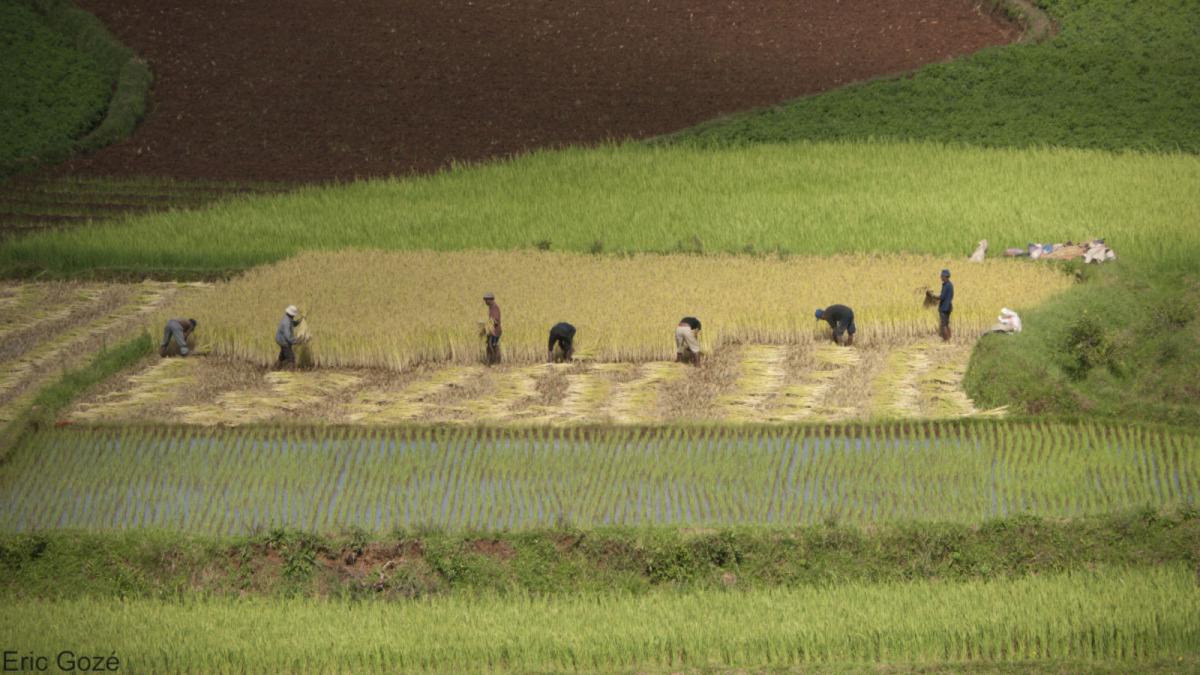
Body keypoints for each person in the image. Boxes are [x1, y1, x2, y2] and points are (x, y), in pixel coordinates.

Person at [927, 269, 954, 341]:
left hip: (944, 308)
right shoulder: (950, 285)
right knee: (947, 323)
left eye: (942, 276)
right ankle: (949, 338)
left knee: (943, 324)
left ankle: (946, 339)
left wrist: (933, 296)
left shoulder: (946, 285)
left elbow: (941, 297)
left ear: (945, 276)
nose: (940, 277)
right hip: (949, 307)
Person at [276, 305, 300, 370]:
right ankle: (292, 372)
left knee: (282, 356)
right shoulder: (286, 322)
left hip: (281, 339)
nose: (294, 316)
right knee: (291, 358)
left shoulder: (288, 318)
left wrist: (299, 321)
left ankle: (277, 368)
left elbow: (293, 323)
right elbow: (288, 337)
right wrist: (297, 340)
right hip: (283, 341)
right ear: (291, 314)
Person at [483, 292, 502, 365]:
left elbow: (496, 320)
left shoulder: (495, 307)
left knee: (493, 346)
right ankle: (491, 362)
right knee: (490, 345)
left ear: (490, 300)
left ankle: (496, 362)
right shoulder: (491, 307)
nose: (485, 302)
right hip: (492, 331)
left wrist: (488, 324)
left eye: (486, 300)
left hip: (495, 331)